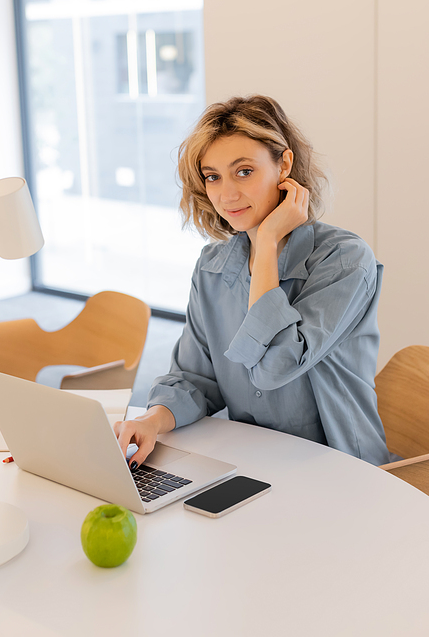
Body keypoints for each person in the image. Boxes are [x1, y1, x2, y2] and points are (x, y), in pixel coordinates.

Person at [114, 95, 390, 467]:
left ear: (284, 165)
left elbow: (274, 367)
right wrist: (151, 420)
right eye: (213, 176)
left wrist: (266, 243)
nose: (226, 195)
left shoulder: (345, 261)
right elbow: (195, 377)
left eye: (244, 171)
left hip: (339, 468)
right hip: (252, 461)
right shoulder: (213, 267)